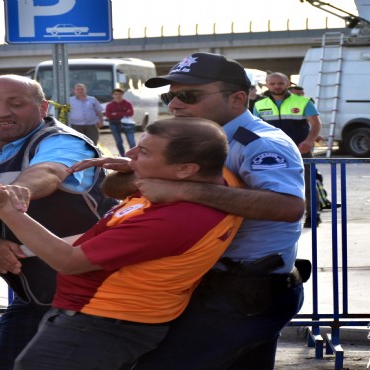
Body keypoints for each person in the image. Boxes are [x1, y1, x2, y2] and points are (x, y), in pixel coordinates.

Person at [71, 52, 306, 370]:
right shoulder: (184, 140)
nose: (175, 105)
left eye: (189, 95)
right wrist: (142, 169)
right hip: (208, 287)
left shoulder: (259, 144)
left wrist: (183, 188)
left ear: (237, 98)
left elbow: (288, 207)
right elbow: (113, 189)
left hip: (244, 292)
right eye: (170, 95)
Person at [0, 117, 244, 370]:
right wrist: (137, 168)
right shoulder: (213, 182)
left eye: (144, 153)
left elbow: (68, 262)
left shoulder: (178, 217)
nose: (129, 155)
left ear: (186, 169)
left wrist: (5, 207)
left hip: (100, 325)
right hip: (100, 320)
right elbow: (113, 198)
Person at [0, 74, 116, 370]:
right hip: (33, 298)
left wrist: (17, 193)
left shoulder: (64, 141)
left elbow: (50, 172)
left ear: (43, 108)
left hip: (96, 300)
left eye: (16, 103)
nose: (2, 112)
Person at [254, 72, 323, 228]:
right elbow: (256, 128)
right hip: (273, 152)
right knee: (273, 184)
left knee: (307, 184)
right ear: (266, 85)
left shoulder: (304, 102)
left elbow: (316, 124)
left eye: (281, 83)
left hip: (301, 150)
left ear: (288, 84)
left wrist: (309, 140)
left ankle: (313, 216)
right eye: (273, 84)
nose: (277, 86)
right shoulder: (259, 105)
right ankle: (279, 217)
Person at [105, 88, 136, 156]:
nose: (118, 96)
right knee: (119, 142)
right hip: (114, 124)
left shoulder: (127, 104)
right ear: (113, 95)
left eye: (119, 94)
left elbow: (131, 113)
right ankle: (123, 156)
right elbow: (108, 115)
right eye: (116, 94)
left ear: (122, 95)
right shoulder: (109, 105)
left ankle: (133, 156)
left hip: (127, 124)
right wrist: (124, 113)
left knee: (132, 142)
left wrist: (116, 114)